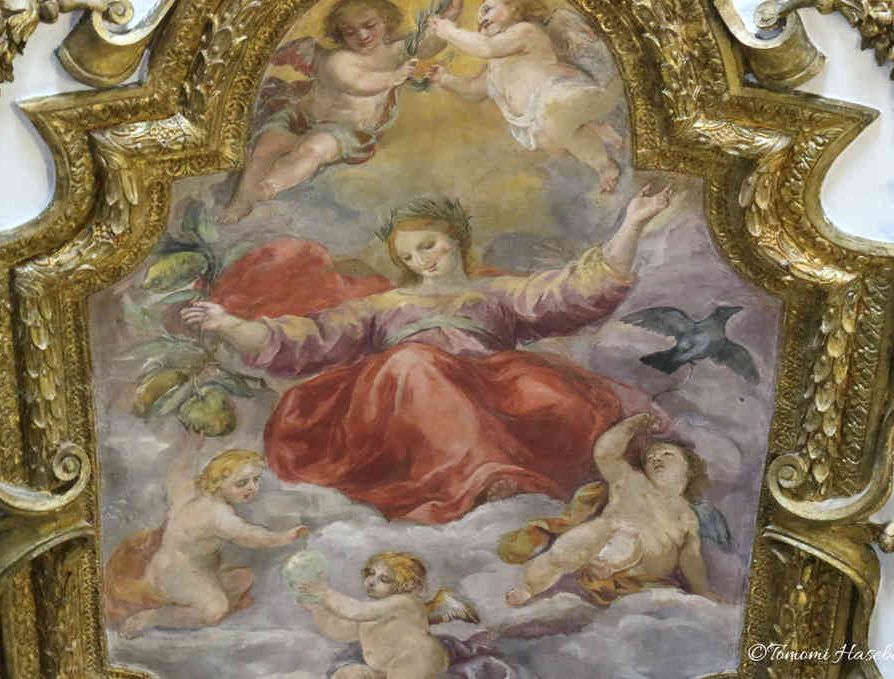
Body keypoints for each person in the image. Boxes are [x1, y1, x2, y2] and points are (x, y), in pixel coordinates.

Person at [183, 185, 672, 524]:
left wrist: (631, 224)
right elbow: (309, 337)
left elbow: (572, 291)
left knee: (548, 391)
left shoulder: (496, 293)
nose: (422, 261)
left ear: (455, 237)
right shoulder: (384, 306)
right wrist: (233, 326)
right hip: (408, 400)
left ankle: (507, 480)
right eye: (409, 257)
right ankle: (480, 479)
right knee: (415, 363)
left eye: (428, 246)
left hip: (490, 389)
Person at [219, 0, 464, 222]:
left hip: (345, 130)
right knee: (264, 150)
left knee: (313, 150)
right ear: (339, 34)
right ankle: (241, 200)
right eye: (350, 31)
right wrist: (393, 77)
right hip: (302, 117)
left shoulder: (398, 50)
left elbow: (429, 44)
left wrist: (451, 15)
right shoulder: (339, 59)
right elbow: (356, 84)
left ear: (386, 21)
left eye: (370, 25)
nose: (362, 35)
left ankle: (265, 188)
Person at [504, 413, 720, 607]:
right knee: (569, 548)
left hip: (640, 575)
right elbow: (605, 454)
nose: (656, 458)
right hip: (605, 539)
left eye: (667, 454)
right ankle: (529, 588)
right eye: (650, 458)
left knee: (636, 542)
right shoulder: (631, 480)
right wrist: (629, 426)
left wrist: (702, 589)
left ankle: (610, 565)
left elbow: (690, 558)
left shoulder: (687, 516)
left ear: (689, 468)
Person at [105, 446, 308, 637]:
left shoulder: (190, 491)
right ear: (218, 482)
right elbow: (250, 536)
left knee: (243, 578)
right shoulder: (217, 514)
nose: (252, 488)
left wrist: (193, 441)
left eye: (256, 480)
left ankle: (197, 599)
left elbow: (179, 469)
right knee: (215, 611)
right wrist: (284, 537)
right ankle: (154, 617)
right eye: (241, 483)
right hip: (177, 575)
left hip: (172, 567)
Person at [426, 0, 623, 191]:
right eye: (478, 21)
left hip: (558, 92)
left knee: (554, 117)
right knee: (556, 144)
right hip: (535, 120)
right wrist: (444, 79)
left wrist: (449, 31)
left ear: (514, 7)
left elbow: (486, 47)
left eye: (487, 9)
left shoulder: (524, 32)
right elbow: (472, 91)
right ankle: (597, 148)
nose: (482, 19)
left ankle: (598, 141)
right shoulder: (494, 67)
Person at [295, 552, 475, 679]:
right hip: (387, 667)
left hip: (418, 659)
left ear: (405, 585)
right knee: (346, 674)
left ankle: (448, 612)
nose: (372, 582)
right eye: (371, 573)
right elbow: (341, 631)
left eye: (384, 579)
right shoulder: (373, 609)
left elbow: (356, 611)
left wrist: (326, 592)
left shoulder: (403, 602)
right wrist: (318, 610)